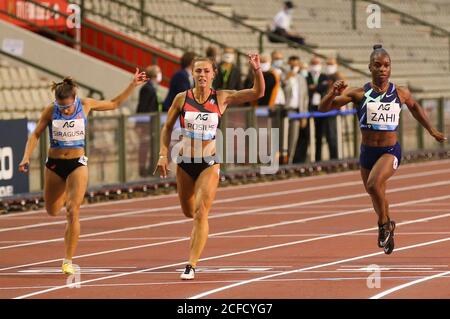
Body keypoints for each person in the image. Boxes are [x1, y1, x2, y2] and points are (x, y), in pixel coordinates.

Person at [18, 69, 148, 274]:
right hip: (54, 163)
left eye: (68, 107)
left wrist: (132, 85)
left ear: (75, 99)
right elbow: (35, 134)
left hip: (77, 163)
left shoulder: (85, 104)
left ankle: (67, 260)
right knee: (52, 210)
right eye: (62, 107)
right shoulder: (51, 110)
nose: (66, 111)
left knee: (73, 210)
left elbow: (114, 103)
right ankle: (62, 195)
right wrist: (26, 156)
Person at [319, 44, 446, 254]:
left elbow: (414, 107)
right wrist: (332, 93)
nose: (382, 69)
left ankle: (383, 225)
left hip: (390, 151)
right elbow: (323, 108)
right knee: (374, 192)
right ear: (370, 67)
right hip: (367, 152)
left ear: (391, 68)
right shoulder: (358, 93)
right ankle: (387, 224)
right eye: (377, 65)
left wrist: (432, 130)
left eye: (386, 65)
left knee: (374, 183)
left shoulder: (400, 93)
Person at [155, 54, 264, 280]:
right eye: (198, 71)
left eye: (206, 71)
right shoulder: (181, 98)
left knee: (200, 212)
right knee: (188, 211)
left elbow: (257, 92)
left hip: (209, 162)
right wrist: (163, 154)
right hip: (185, 162)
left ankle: (191, 264)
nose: (202, 75)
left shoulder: (222, 97)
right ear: (192, 74)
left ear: (214, 74)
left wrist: (257, 71)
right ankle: (195, 240)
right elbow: (166, 128)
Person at [307, 56, 336, 162]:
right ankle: (317, 159)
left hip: (323, 108)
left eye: (317, 63)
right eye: (313, 63)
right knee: (317, 136)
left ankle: (334, 159)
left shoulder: (324, 76)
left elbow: (324, 87)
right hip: (311, 108)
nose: (315, 66)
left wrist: (314, 87)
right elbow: (307, 88)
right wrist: (318, 86)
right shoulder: (307, 76)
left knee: (330, 135)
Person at [136, 65, 161, 177]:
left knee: (150, 145)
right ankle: (143, 169)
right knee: (145, 146)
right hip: (146, 123)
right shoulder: (147, 88)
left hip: (152, 123)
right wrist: (140, 124)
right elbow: (143, 107)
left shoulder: (153, 87)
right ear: (154, 75)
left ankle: (150, 167)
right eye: (158, 72)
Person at [284, 56, 309, 164]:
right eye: (292, 65)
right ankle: (282, 160)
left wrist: (304, 115)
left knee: (293, 138)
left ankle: (291, 160)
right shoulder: (283, 75)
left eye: (296, 65)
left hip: (296, 111)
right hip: (284, 111)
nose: (294, 67)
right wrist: (286, 79)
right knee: (282, 137)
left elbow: (304, 98)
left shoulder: (301, 78)